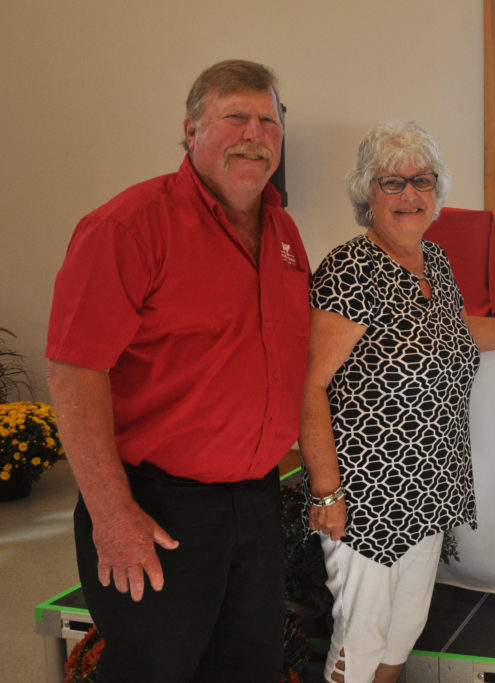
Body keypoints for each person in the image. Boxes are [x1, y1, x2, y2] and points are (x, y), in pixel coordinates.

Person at [46, 60, 309, 681]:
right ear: (191, 131)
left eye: (269, 120)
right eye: (235, 117)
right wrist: (112, 516)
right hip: (158, 508)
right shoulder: (128, 226)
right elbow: (73, 371)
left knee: (248, 669)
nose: (255, 132)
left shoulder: (284, 233)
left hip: (255, 502)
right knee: (155, 669)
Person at [299, 120, 495, 683]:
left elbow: (456, 330)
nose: (410, 196)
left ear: (438, 190)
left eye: (421, 181)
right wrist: (326, 492)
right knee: (361, 637)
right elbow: (311, 385)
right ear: (366, 194)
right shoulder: (350, 270)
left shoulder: (436, 262)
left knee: (403, 630)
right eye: (392, 183)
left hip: (429, 485)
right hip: (366, 494)